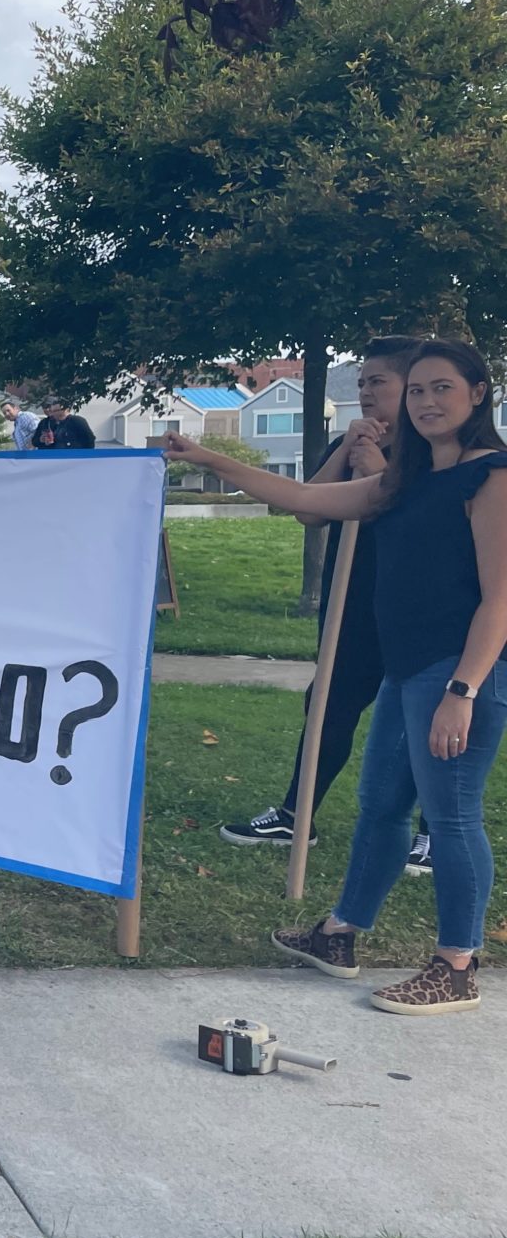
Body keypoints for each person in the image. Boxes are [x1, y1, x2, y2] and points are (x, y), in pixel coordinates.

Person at [165, 339, 507, 1015]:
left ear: (477, 394)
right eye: (417, 391)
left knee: (452, 815)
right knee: (380, 807)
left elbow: (500, 599)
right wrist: (206, 458)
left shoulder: (491, 475)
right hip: (405, 669)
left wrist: (462, 692)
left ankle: (456, 966)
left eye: (443, 388)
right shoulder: (402, 481)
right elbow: (302, 496)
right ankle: (340, 934)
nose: (428, 402)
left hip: (457, 675)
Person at [221, 337, 431, 876]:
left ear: (412, 386)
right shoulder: (348, 441)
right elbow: (308, 511)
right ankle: (297, 814)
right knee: (327, 704)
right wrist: (347, 451)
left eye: (377, 381)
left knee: (422, 715)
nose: (365, 391)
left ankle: (431, 830)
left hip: (415, 605)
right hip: (352, 601)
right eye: (361, 382)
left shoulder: (432, 448)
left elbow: (412, 519)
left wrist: (376, 465)